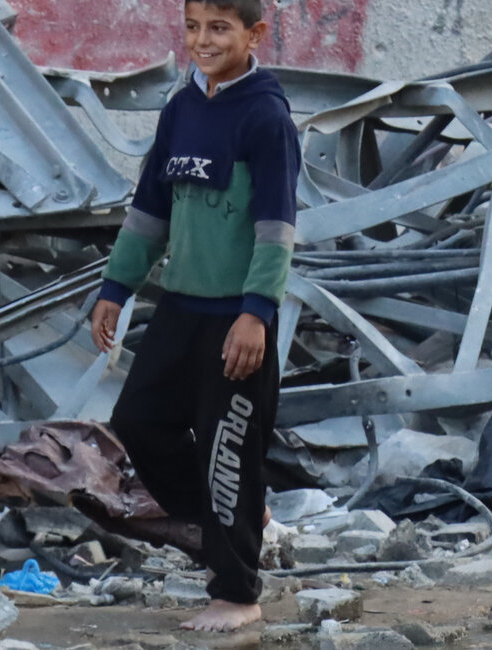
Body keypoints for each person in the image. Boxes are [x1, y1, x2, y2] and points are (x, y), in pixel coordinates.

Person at [89, 0, 299, 633]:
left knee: (226, 451)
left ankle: (238, 594)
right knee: (138, 421)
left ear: (253, 33)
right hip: (180, 305)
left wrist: (256, 312)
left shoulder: (265, 116)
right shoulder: (181, 109)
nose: (202, 41)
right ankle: (239, 517)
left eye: (219, 28)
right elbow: (150, 207)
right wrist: (115, 287)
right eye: (192, 27)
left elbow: (277, 227)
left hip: (235, 317)